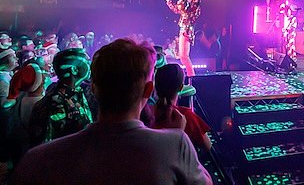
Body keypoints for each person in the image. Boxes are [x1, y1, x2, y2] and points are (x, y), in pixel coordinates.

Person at [12, 38, 213, 185]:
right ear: (148, 90)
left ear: (93, 88)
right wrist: (176, 135)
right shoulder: (175, 145)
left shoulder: (37, 160)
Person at [28, 48, 93, 146]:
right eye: (87, 62)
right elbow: (48, 144)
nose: (90, 65)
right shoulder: (56, 101)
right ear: (74, 70)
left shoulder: (77, 92)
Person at [153, 64, 212, 153]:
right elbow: (208, 146)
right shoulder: (185, 115)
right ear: (181, 87)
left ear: (156, 86)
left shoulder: (147, 114)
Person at [162, 0, 208, 77]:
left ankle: (191, 76)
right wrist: (168, 0)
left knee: (184, 56)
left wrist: (171, 1)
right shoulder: (189, 6)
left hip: (186, 32)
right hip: (183, 31)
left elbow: (182, 9)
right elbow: (177, 10)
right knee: (182, 56)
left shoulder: (195, 8)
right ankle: (190, 75)